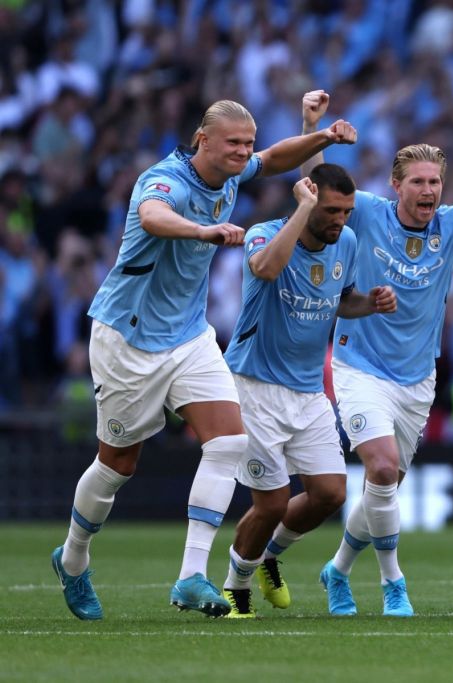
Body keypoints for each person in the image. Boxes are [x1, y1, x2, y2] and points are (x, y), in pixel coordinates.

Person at [257, 90, 453, 617]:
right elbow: (320, 188)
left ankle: (326, 568)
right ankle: (393, 584)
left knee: (382, 489)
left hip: (416, 379)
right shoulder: (368, 214)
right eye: (419, 182)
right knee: (381, 471)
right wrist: (311, 124)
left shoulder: (450, 225)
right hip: (358, 366)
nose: (428, 191)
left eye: (435, 183)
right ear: (396, 185)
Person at [51, 99, 358, 620]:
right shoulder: (165, 180)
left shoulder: (235, 173)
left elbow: (276, 158)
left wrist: (322, 137)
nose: (243, 151)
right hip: (129, 338)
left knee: (229, 442)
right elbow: (153, 216)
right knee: (118, 463)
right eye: (233, 143)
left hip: (191, 336)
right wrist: (203, 231)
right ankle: (74, 558)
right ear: (203, 140)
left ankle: (191, 576)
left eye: (247, 142)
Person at [219, 166, 397, 618]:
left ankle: (268, 556)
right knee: (273, 501)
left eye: (347, 212)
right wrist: (301, 207)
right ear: (309, 203)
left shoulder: (347, 244)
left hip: (308, 391)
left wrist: (370, 304)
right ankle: (235, 584)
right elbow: (264, 267)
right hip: (254, 387)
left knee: (331, 494)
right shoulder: (266, 235)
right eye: (332, 211)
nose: (341, 220)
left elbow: (341, 301)